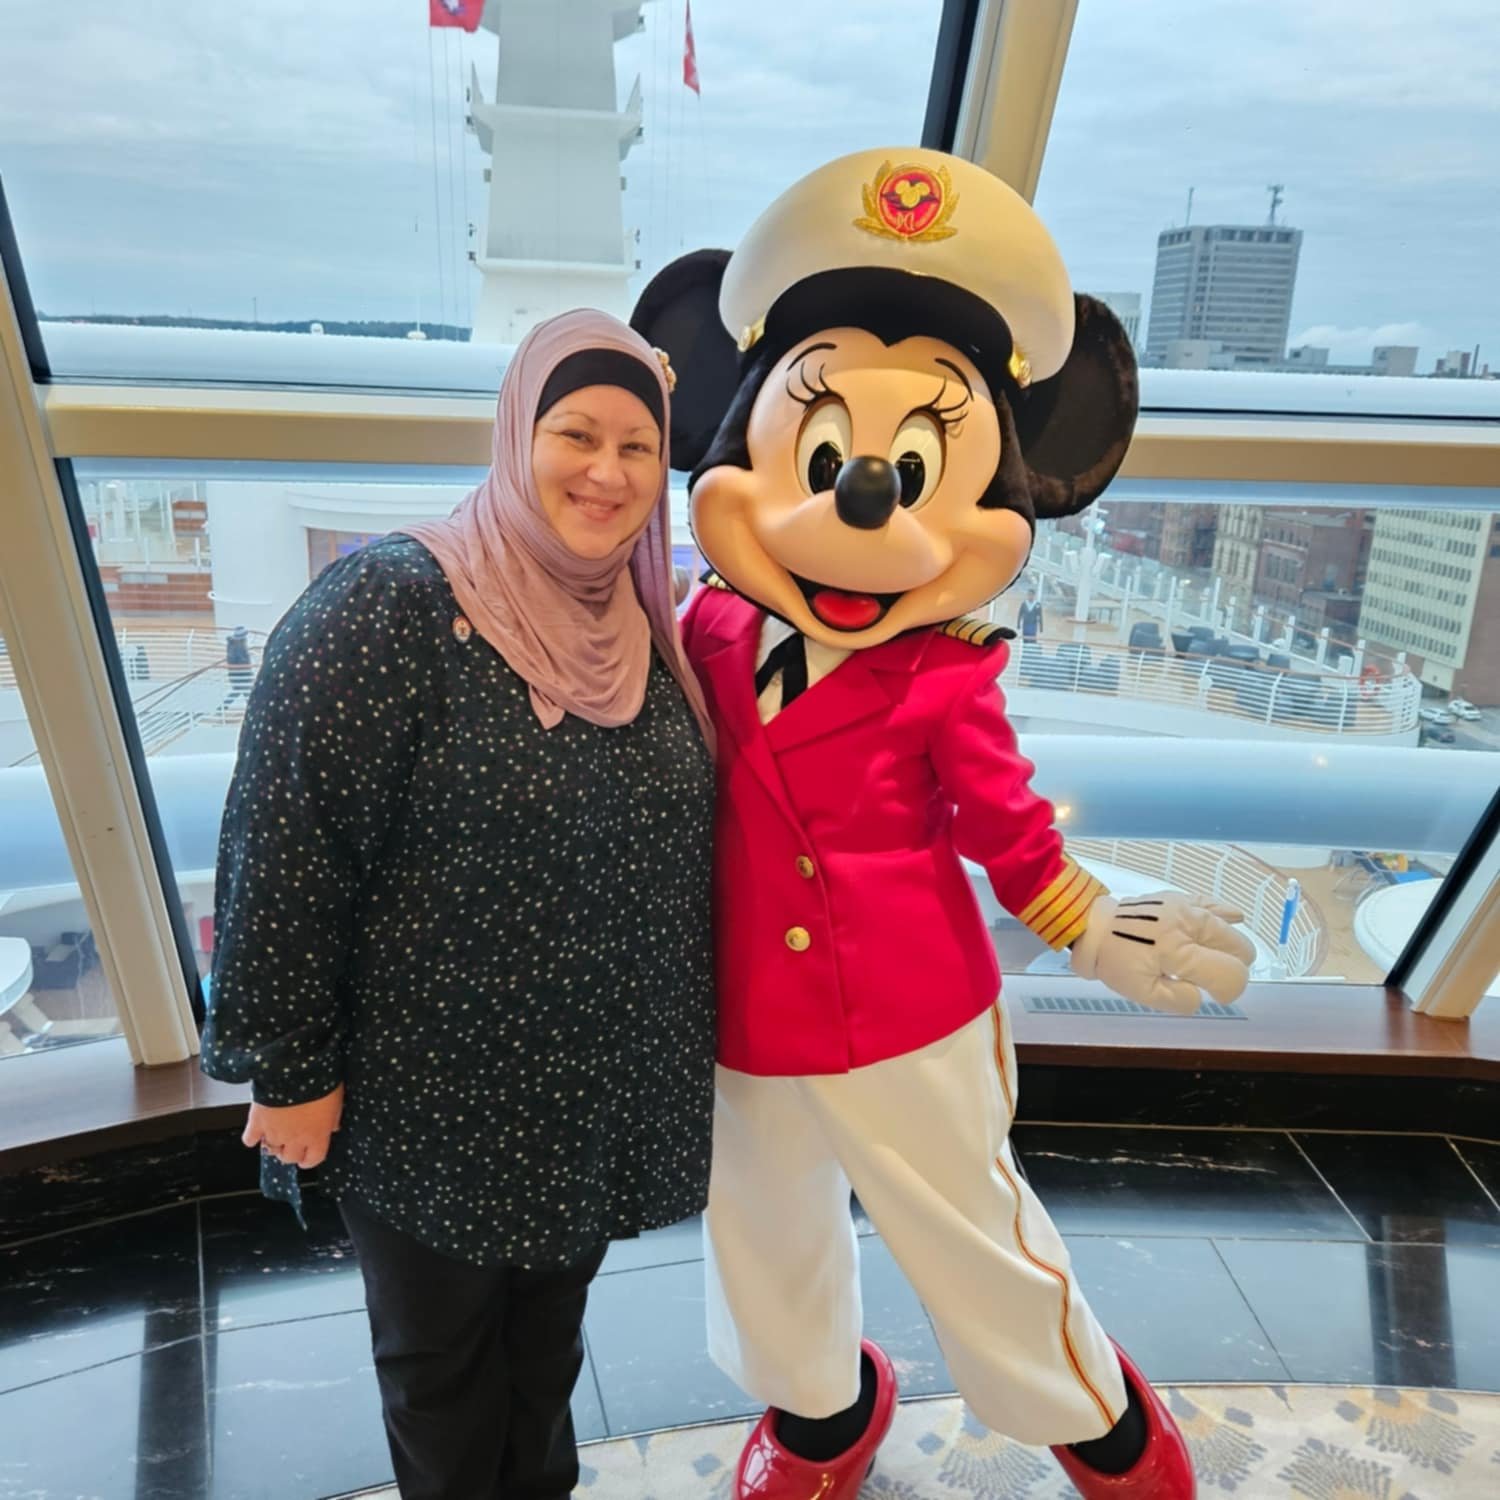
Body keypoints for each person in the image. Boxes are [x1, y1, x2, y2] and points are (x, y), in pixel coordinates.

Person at [633, 148, 1253, 1500]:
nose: (861, 497)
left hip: (907, 1010)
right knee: (763, 1231)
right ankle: (820, 1417)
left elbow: (1006, 827)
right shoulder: (707, 626)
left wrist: (1089, 921)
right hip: (743, 1007)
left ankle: (1103, 1423)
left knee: (968, 1230)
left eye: (915, 463)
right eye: (825, 444)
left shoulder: (949, 672)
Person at [200, 310, 717, 1500]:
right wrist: (291, 1072)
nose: (607, 471)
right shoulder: (391, 606)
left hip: (581, 1101)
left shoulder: (641, 622)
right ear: (515, 433)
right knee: (441, 1376)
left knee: (544, 1361)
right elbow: (284, 848)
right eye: (576, 433)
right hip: (430, 1103)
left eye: (639, 446)